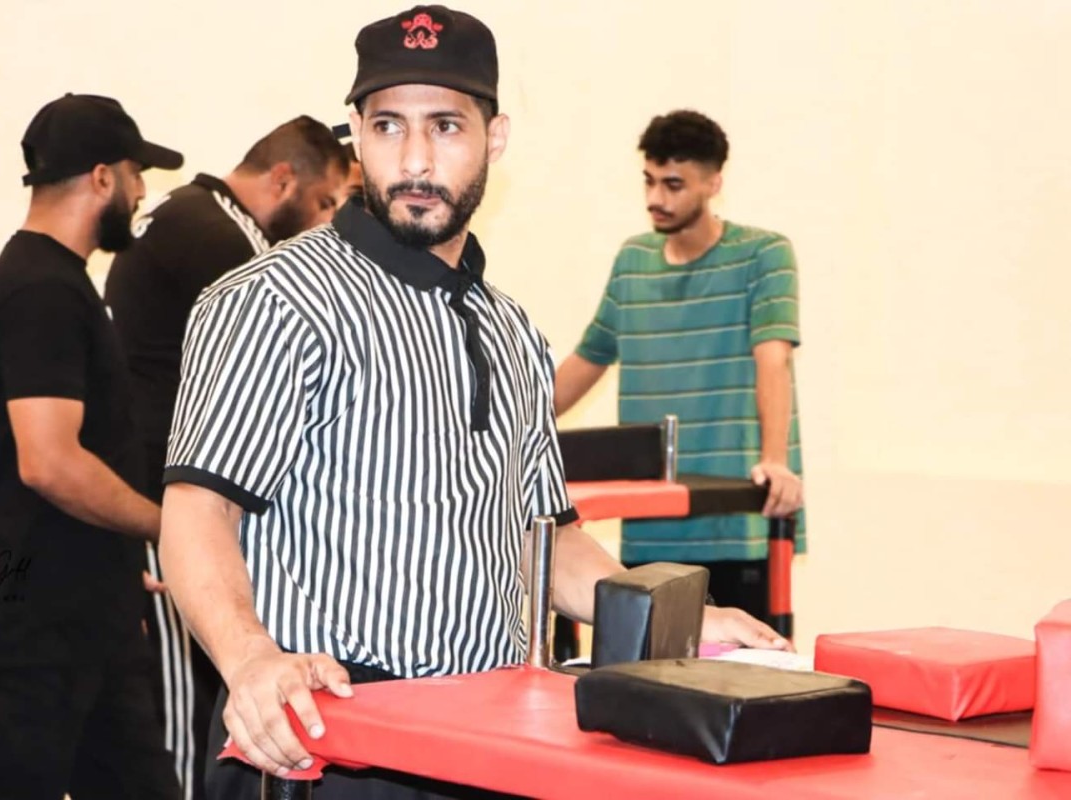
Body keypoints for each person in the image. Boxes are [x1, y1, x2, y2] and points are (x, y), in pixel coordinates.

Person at [158, 10, 790, 799]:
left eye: (446, 126)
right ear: (356, 133)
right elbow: (195, 511)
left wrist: (676, 624)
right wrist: (250, 657)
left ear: (494, 139)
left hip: (487, 749)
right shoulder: (275, 301)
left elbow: (548, 546)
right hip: (329, 747)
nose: (415, 158)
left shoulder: (512, 330)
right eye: (388, 125)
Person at [103, 114, 348, 800]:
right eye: (328, 204)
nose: (329, 225)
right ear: (282, 179)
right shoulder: (235, 250)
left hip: (155, 493)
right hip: (175, 507)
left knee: (167, 716)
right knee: (190, 726)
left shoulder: (183, 214)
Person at [0, 93, 182, 799]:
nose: (142, 194)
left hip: (81, 609)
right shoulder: (39, 289)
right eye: (139, 175)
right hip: (39, 626)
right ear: (104, 177)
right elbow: (48, 462)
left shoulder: (56, 283)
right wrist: (166, 527)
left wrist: (109, 566)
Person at [554, 110, 805, 620]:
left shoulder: (764, 254)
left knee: (738, 673)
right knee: (645, 677)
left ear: (713, 183)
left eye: (673, 184)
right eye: (648, 181)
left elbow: (773, 357)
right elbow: (587, 360)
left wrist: (775, 461)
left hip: (735, 520)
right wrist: (506, 431)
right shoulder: (633, 261)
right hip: (650, 522)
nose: (655, 199)